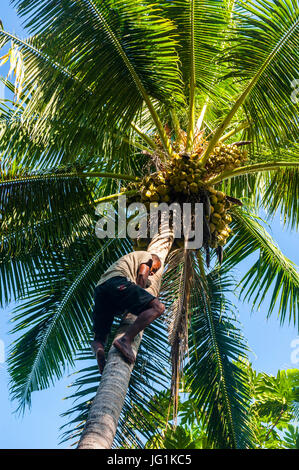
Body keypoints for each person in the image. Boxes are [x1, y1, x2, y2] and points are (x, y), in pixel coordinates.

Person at [90, 251, 165, 374]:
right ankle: (125, 340)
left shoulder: (124, 262)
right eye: (154, 269)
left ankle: (98, 348)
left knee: (100, 337)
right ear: (153, 260)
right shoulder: (147, 256)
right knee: (158, 308)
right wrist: (140, 296)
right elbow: (142, 275)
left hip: (100, 290)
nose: (152, 273)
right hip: (117, 282)